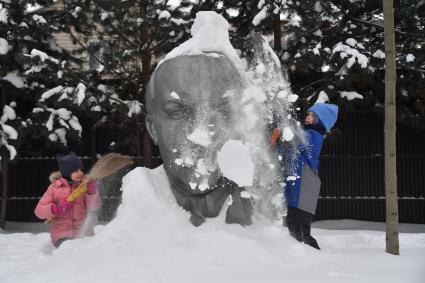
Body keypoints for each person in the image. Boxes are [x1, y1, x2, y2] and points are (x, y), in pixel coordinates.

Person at [145, 54, 253, 226]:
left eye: (222, 109)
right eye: (178, 111)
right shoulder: (133, 213)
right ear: (153, 129)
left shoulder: (264, 213)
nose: (201, 133)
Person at [273, 103, 338, 250]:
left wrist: (284, 122)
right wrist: (276, 140)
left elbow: (299, 139)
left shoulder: (315, 136)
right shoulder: (305, 134)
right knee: (293, 229)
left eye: (312, 115)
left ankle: (314, 256)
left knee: (301, 232)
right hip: (296, 189)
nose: (307, 117)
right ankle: (302, 257)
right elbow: (285, 150)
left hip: (305, 187)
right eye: (308, 114)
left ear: (321, 120)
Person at [34, 152, 101, 248]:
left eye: (81, 170)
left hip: (84, 233)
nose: (81, 173)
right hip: (62, 234)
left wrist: (92, 192)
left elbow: (94, 207)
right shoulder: (55, 188)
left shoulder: (84, 186)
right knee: (68, 250)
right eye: (76, 170)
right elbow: (38, 211)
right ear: (66, 172)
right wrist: (55, 209)